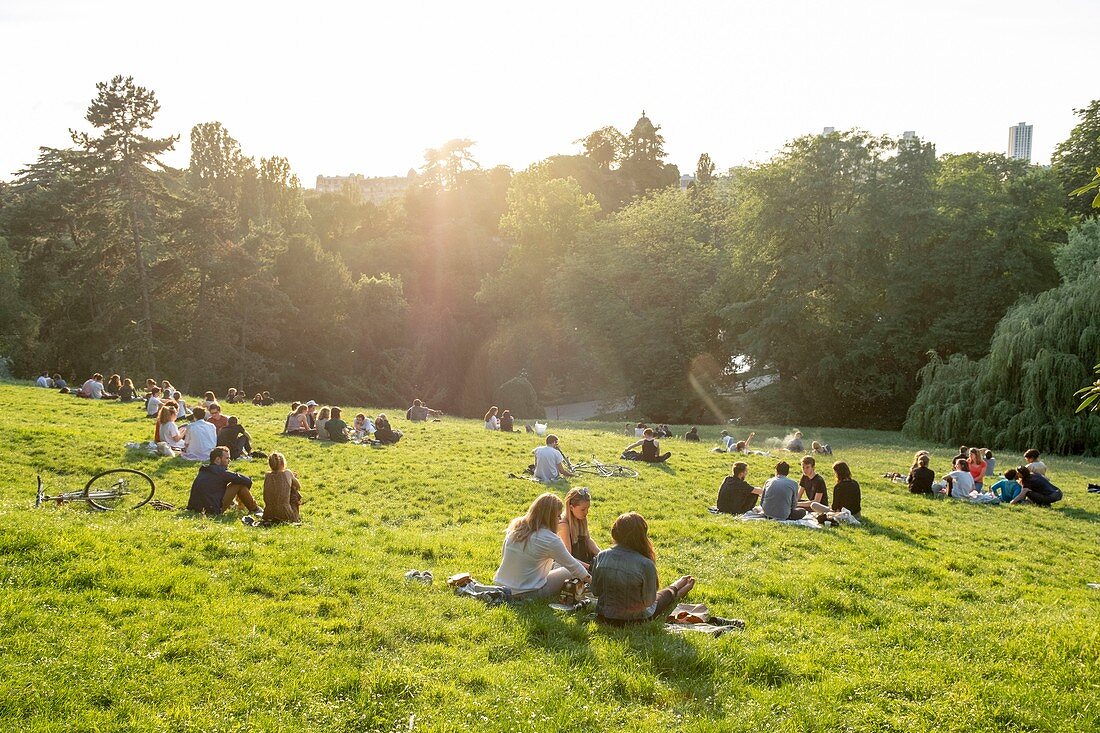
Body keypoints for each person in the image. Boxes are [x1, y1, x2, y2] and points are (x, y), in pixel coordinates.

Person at [591, 511, 695, 625]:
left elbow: (595, 591)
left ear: (615, 532)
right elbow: (649, 602)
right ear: (641, 535)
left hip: (604, 615)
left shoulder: (601, 556)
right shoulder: (645, 564)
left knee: (663, 595)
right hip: (636, 619)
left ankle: (681, 584)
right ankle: (681, 585)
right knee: (665, 595)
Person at [493, 493, 590, 599]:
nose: (560, 520)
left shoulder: (516, 527)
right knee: (567, 571)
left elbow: (504, 556)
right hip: (528, 591)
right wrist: (594, 583)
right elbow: (574, 567)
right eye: (558, 516)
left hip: (501, 584)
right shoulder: (550, 539)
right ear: (550, 517)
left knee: (555, 562)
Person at [186, 446, 261, 515]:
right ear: (218, 460)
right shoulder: (221, 472)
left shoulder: (204, 470)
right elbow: (247, 480)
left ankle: (237, 506)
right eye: (227, 458)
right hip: (213, 510)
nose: (229, 461)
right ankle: (255, 509)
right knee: (239, 483)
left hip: (195, 508)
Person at [761, 461, 828, 520]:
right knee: (802, 511)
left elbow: (761, 502)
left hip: (766, 513)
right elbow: (795, 501)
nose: (805, 470)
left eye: (807, 467)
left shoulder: (768, 481)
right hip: (783, 515)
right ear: (788, 472)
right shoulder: (795, 482)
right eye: (803, 467)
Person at [557, 487, 601, 566]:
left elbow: (587, 540)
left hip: (582, 561)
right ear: (571, 507)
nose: (586, 512)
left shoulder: (581, 519)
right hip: (567, 566)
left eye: (588, 508)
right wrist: (588, 567)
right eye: (583, 509)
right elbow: (567, 557)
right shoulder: (563, 525)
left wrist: (602, 554)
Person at [263, 452, 302, 523]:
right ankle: (295, 515)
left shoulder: (267, 475)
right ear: (282, 463)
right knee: (294, 490)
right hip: (286, 515)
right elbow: (298, 486)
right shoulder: (288, 473)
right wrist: (293, 478)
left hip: (268, 515)